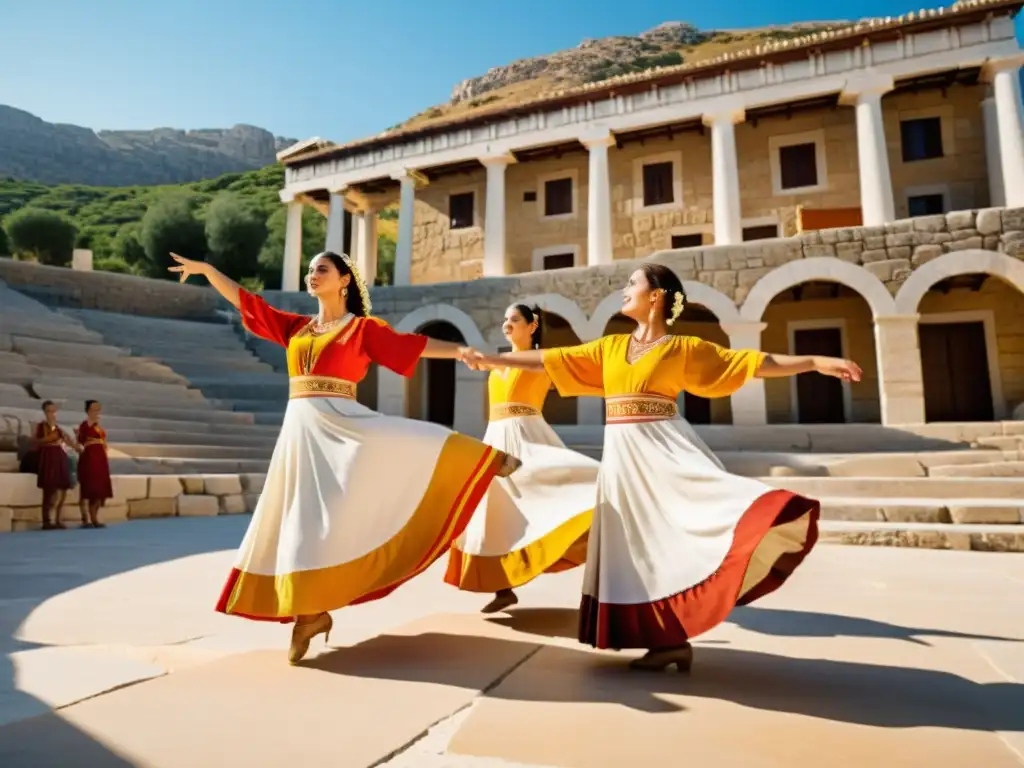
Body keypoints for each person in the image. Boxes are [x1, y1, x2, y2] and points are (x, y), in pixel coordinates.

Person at [463, 263, 862, 672]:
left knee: (675, 532)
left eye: (632, 283)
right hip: (623, 460)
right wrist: (490, 359)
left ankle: (677, 631)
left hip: (665, 450)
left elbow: (749, 362)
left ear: (655, 296)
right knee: (633, 545)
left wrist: (813, 360)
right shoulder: (610, 347)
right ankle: (666, 641)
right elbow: (549, 358)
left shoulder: (683, 348)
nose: (624, 289)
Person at [168, 250, 521, 664]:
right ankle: (310, 614)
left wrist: (460, 351)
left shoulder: (362, 330)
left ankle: (479, 459)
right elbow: (249, 304)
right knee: (299, 522)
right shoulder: (296, 327)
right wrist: (210, 271)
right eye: (310, 269)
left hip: (344, 425)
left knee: (405, 441)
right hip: (301, 438)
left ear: (344, 282)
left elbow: (413, 345)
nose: (311, 274)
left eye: (321, 269)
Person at [445, 304, 599, 613]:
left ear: (533, 325)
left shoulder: (541, 360)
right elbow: (488, 365)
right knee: (494, 512)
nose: (507, 323)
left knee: (548, 501)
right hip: (496, 439)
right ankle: (503, 588)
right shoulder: (497, 363)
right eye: (504, 319)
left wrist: (484, 359)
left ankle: (599, 578)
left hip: (527, 437)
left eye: (514, 319)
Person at [33, 400, 78, 530]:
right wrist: (51, 438)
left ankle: (57, 519)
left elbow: (67, 441)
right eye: (49, 411)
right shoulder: (42, 426)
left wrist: (75, 446)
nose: (52, 414)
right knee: (49, 489)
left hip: (59, 457)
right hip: (48, 458)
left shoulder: (58, 429)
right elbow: (38, 441)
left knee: (61, 487)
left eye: (54, 411)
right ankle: (46, 520)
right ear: (45, 412)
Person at [77, 400, 113, 528]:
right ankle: (86, 517)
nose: (97, 412)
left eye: (98, 409)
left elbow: (103, 441)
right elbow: (80, 440)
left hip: (100, 457)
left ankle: (95, 517)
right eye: (94, 409)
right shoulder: (85, 425)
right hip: (89, 457)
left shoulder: (99, 427)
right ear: (88, 410)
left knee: (99, 487)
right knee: (89, 486)